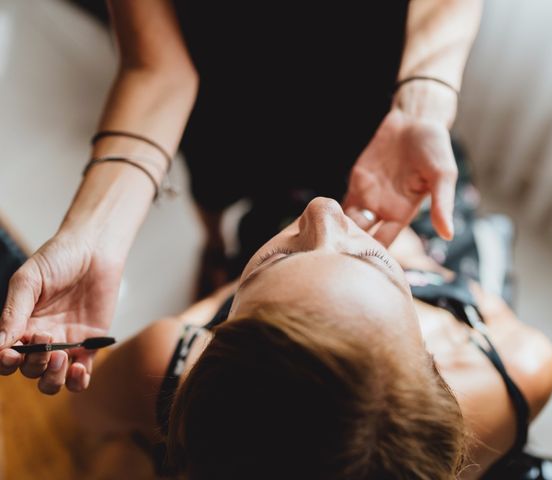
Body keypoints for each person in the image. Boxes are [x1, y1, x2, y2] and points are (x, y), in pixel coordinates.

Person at [0, 0, 482, 393]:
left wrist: (423, 99)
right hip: (225, 80)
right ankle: (213, 243)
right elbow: (158, 67)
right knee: (214, 178)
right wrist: (96, 235)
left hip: (371, 88)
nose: (323, 212)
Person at [56, 192, 552, 479]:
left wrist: (207, 308)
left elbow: (82, 412)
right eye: (375, 262)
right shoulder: (522, 368)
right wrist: (416, 261)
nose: (325, 208)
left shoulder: (165, 360)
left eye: (282, 257)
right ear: (431, 364)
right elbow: (485, 300)